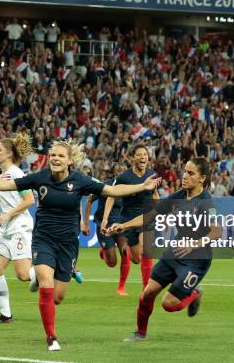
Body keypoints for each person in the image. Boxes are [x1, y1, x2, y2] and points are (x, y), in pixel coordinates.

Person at [0, 139, 160, 351]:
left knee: (57, 297)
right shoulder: (40, 177)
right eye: (53, 155)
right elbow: (8, 185)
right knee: (46, 284)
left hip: (68, 244)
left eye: (61, 156)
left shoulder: (80, 180)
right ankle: (51, 337)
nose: (55, 158)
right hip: (43, 238)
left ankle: (53, 275)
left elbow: (111, 190)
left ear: (70, 161)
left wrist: (142, 186)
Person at [107, 157, 221, 341]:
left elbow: (216, 232)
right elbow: (151, 215)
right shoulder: (178, 196)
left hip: (197, 260)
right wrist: (124, 226)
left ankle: (194, 293)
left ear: (202, 178)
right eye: (185, 171)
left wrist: (195, 243)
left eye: (191, 173)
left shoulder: (207, 201)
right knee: (147, 294)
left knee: (168, 304)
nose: (185, 176)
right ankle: (140, 333)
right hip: (175, 253)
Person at [0, 134, 37, 324]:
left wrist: (7, 214)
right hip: (7, 229)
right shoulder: (4, 176)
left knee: (23, 275)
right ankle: (5, 315)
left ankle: (56, 270)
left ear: (8, 154)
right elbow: (12, 199)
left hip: (19, 227)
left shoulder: (16, 173)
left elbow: (29, 200)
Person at [104, 143, 159, 290]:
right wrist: (105, 219)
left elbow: (155, 194)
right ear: (132, 158)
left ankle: (146, 289)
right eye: (139, 155)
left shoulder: (152, 175)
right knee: (136, 258)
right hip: (128, 219)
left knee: (146, 250)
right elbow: (111, 195)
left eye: (145, 155)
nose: (143, 157)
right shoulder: (124, 177)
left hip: (145, 217)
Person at [82, 164, 131, 296]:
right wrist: (86, 224)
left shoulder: (130, 189)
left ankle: (121, 287)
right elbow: (89, 201)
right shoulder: (105, 186)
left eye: (124, 170)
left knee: (126, 253)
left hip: (122, 226)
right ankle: (104, 253)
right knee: (112, 263)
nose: (121, 172)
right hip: (104, 227)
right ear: (114, 172)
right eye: (119, 170)